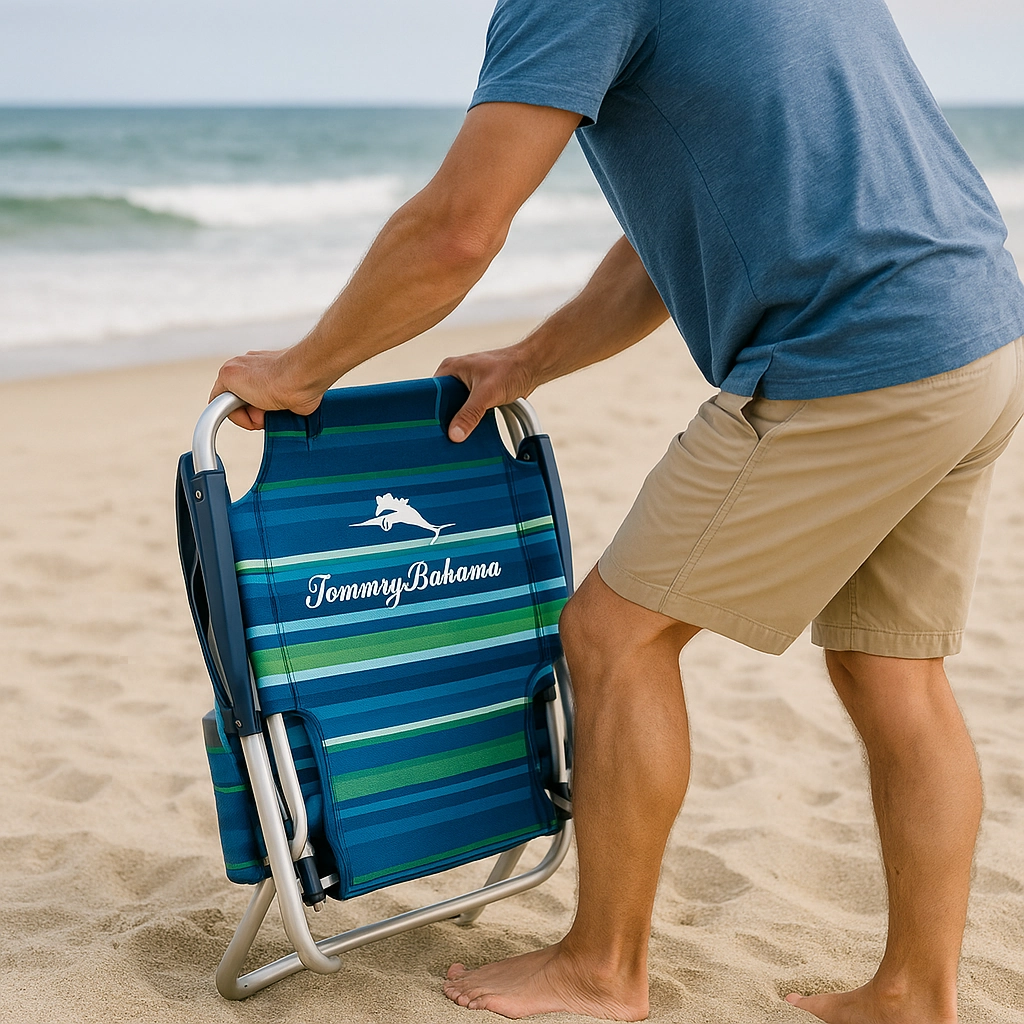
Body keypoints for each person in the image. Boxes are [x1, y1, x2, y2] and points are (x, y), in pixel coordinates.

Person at [210, 0, 1024, 1020]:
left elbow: (457, 227)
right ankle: (914, 994)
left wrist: (302, 369)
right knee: (891, 667)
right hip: (975, 330)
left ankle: (603, 970)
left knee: (614, 632)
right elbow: (665, 237)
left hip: (846, 356)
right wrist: (529, 360)